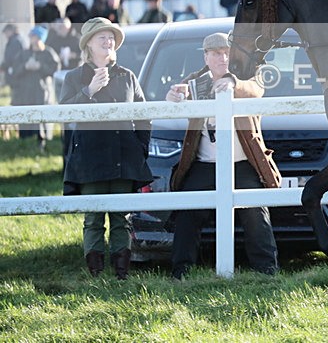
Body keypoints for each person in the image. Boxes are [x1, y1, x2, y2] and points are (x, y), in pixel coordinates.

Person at [167, 32, 281, 279]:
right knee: (188, 212)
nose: (223, 58)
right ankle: (180, 273)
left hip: (241, 164)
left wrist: (233, 83)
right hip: (205, 164)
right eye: (217, 53)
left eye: (227, 52)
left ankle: (267, 274)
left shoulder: (247, 77)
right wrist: (173, 96)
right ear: (206, 57)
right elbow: (176, 96)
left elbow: (256, 89)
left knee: (255, 214)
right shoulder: (195, 83)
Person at [59, 17, 152, 279]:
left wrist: (139, 147)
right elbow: (63, 112)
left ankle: (121, 274)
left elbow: (145, 115)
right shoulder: (75, 77)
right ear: (88, 43)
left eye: (111, 37)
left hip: (125, 155)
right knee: (94, 218)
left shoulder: (127, 76)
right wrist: (88, 91)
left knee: (122, 216)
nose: (108, 41)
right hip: (90, 158)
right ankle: (96, 275)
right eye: (102, 36)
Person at [9, 26, 60, 147]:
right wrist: (25, 67)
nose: (32, 39)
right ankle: (24, 143)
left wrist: (40, 66)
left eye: (34, 37)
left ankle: (43, 141)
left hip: (42, 92)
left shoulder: (48, 53)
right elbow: (15, 70)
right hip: (25, 92)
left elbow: (55, 69)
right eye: (31, 36)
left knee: (41, 116)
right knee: (26, 115)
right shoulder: (23, 53)